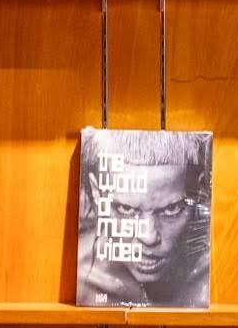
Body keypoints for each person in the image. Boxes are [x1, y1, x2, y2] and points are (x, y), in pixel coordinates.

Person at [77, 130, 212, 309]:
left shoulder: (211, 281)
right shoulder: (80, 281)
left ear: (200, 191)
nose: (148, 237)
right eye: (125, 209)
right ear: (97, 191)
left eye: (171, 209)